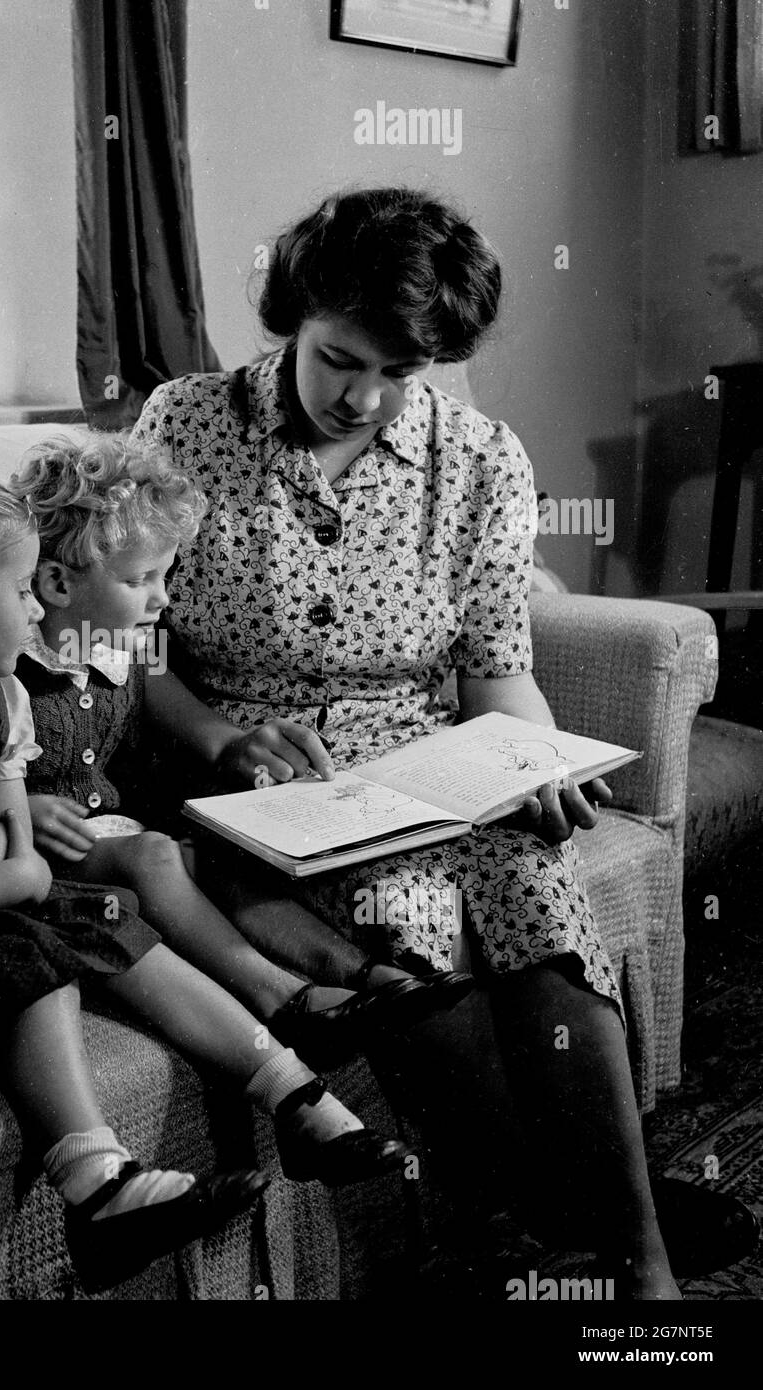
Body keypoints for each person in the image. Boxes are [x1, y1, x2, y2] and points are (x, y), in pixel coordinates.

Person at [127, 187, 686, 1298]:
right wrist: (225, 741)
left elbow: (495, 668)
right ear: (294, 313)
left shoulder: (479, 459)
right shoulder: (184, 426)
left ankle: (639, 1264)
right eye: (340, 359)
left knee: (538, 890)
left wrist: (530, 766)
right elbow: (134, 659)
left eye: (399, 374)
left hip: (424, 761)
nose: (364, 397)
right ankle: (483, 1248)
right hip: (253, 786)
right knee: (409, 923)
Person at [0, 451, 409, 1295]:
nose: (34, 612)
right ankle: (96, 1181)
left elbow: (15, 848)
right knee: (44, 948)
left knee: (101, 915)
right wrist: (10, 870)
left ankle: (296, 1096)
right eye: (24, 591)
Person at [11, 431, 474, 1071]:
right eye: (140, 578)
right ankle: (283, 1000)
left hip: (127, 840)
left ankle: (371, 977)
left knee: (218, 855)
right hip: (42, 863)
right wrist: (16, 811)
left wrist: (236, 745)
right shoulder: (2, 671)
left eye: (164, 575)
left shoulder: (129, 649)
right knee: (155, 853)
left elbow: (198, 725)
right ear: (58, 583)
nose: (162, 598)